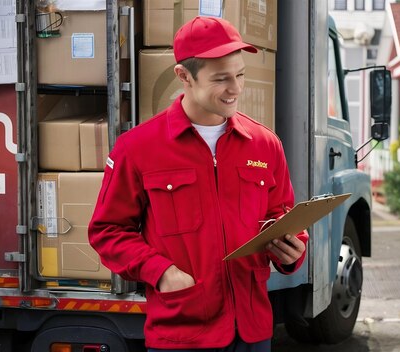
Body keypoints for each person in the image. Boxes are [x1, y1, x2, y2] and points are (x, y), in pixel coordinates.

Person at [88, 16, 308, 351]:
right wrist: (161, 272)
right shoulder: (137, 149)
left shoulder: (264, 144)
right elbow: (106, 230)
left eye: (240, 75)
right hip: (181, 334)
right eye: (221, 79)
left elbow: (281, 213)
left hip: (253, 331)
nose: (235, 88)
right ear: (184, 76)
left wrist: (291, 250)